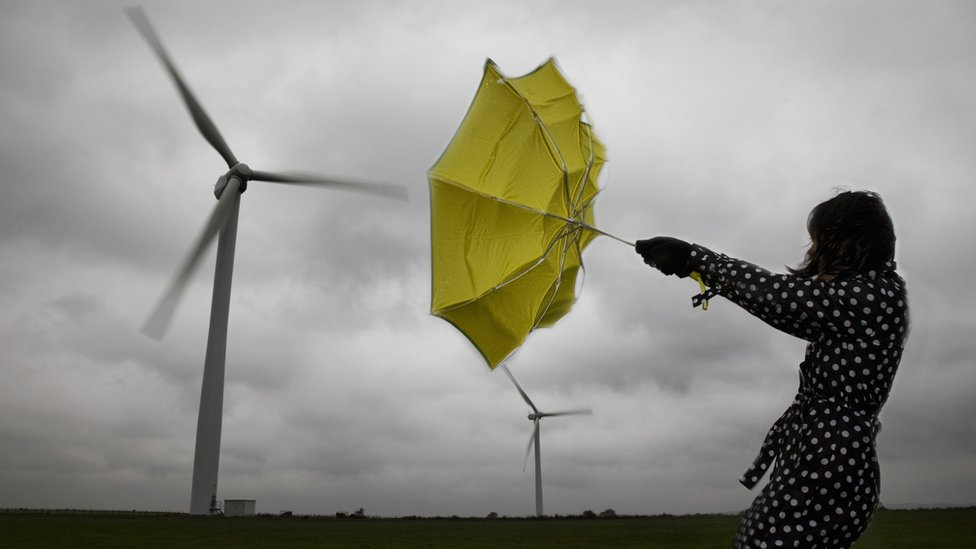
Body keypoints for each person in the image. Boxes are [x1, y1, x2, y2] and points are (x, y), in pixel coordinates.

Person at [635, 191, 908, 548]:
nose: (811, 251)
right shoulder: (875, 293)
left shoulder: (873, 296)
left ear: (848, 242)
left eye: (818, 240)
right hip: (826, 453)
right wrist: (694, 262)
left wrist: (693, 258)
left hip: (829, 459)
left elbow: (778, 297)